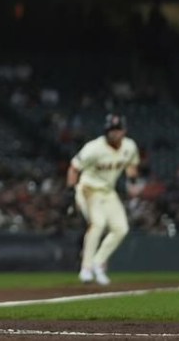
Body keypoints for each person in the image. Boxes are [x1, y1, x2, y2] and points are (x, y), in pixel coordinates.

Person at [66, 113, 140, 286]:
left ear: (124, 131)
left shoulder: (129, 146)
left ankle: (98, 263)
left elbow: (131, 164)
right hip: (88, 188)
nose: (114, 133)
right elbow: (73, 168)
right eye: (110, 130)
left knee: (121, 228)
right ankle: (86, 269)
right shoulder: (94, 148)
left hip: (108, 191)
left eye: (117, 129)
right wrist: (70, 194)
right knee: (98, 223)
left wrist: (133, 180)